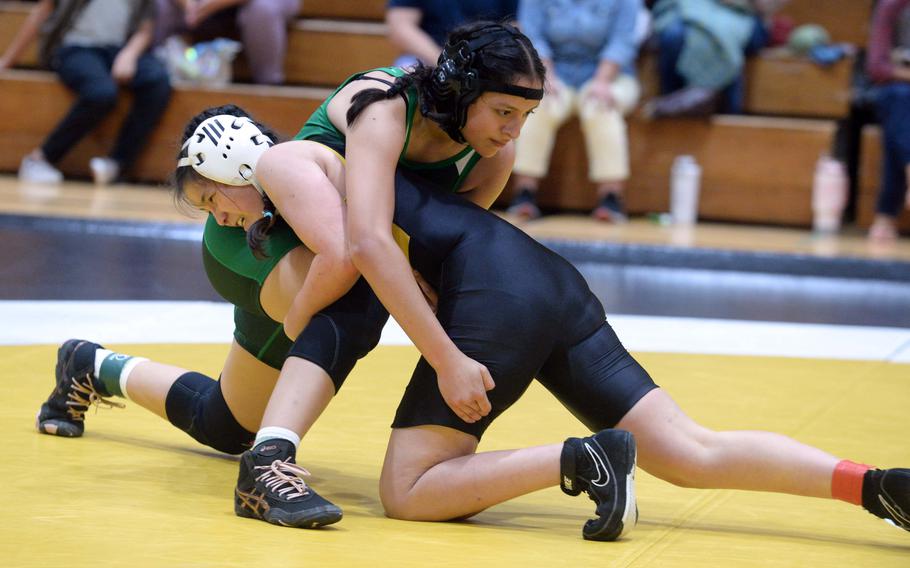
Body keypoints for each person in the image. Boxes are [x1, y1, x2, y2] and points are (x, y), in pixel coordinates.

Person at [182, 21, 910, 539]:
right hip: (547, 280)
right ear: (460, 92)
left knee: (407, 490)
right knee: (688, 451)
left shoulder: (353, 154)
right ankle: (872, 486)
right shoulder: (380, 109)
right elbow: (399, 240)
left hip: (497, 290)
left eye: (526, 116)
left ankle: (582, 459)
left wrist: (445, 354)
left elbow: (377, 243)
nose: (511, 134)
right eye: (504, 112)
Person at [37, 105, 391, 528]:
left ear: (236, 164)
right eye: (206, 208)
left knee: (224, 427)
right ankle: (271, 466)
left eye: (210, 199)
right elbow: (346, 267)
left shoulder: (297, 170)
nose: (218, 216)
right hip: (246, 268)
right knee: (347, 302)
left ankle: (92, 365)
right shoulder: (228, 233)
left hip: (286, 277)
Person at [0, 0, 172, 185]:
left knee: (157, 82)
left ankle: (117, 164)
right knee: (101, 93)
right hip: (75, 48)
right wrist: (7, 61)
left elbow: (145, 28)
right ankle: (40, 159)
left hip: (117, 50)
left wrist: (129, 54)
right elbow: (41, 12)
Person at [506, 0, 643, 222]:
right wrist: (546, 75)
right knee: (539, 107)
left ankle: (611, 197)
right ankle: (524, 193)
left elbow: (623, 41)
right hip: (552, 72)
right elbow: (532, 35)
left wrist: (602, 80)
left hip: (611, 75)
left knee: (600, 108)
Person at [644, 0, 785, 118]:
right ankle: (677, 101)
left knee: (726, 39)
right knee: (673, 36)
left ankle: (717, 105)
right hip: (689, 7)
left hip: (743, 12)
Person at [153, 0, 300, 85]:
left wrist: (207, 7)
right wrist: (189, 5)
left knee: (263, 9)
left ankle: (270, 84)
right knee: (160, 5)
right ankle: (158, 73)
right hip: (198, 7)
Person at [866, 0, 910, 241]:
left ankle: (885, 215)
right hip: (896, 92)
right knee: (903, 101)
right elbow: (877, 68)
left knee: (900, 118)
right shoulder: (892, 6)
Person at [385, 0, 518, 67]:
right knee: (405, 70)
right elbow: (400, 28)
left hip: (488, 59)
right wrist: (444, 61)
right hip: (429, 57)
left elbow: (513, 27)